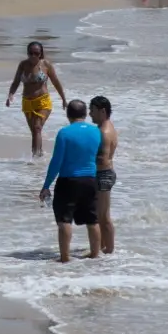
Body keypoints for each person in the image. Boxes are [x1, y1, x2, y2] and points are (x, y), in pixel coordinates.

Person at [40, 99, 102, 263]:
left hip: (69, 180)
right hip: (90, 180)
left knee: (64, 220)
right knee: (92, 219)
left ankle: (65, 257)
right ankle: (95, 255)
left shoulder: (64, 133)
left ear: (68, 114)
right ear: (85, 113)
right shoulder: (96, 132)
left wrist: (46, 185)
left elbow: (56, 162)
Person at [5, 41, 66, 157]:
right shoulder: (23, 65)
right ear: (27, 53)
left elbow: (56, 82)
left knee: (37, 127)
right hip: (27, 102)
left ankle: (35, 158)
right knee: (35, 131)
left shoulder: (46, 65)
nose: (33, 56)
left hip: (43, 101)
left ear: (41, 53)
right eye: (30, 53)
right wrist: (10, 95)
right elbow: (16, 81)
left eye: (36, 53)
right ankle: (39, 155)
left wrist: (63, 99)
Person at [89, 96, 117, 255]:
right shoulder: (107, 127)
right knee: (100, 215)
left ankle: (109, 250)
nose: (90, 114)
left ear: (102, 111)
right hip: (103, 174)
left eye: (92, 110)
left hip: (103, 175)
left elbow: (102, 159)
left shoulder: (103, 132)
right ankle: (103, 247)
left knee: (103, 217)